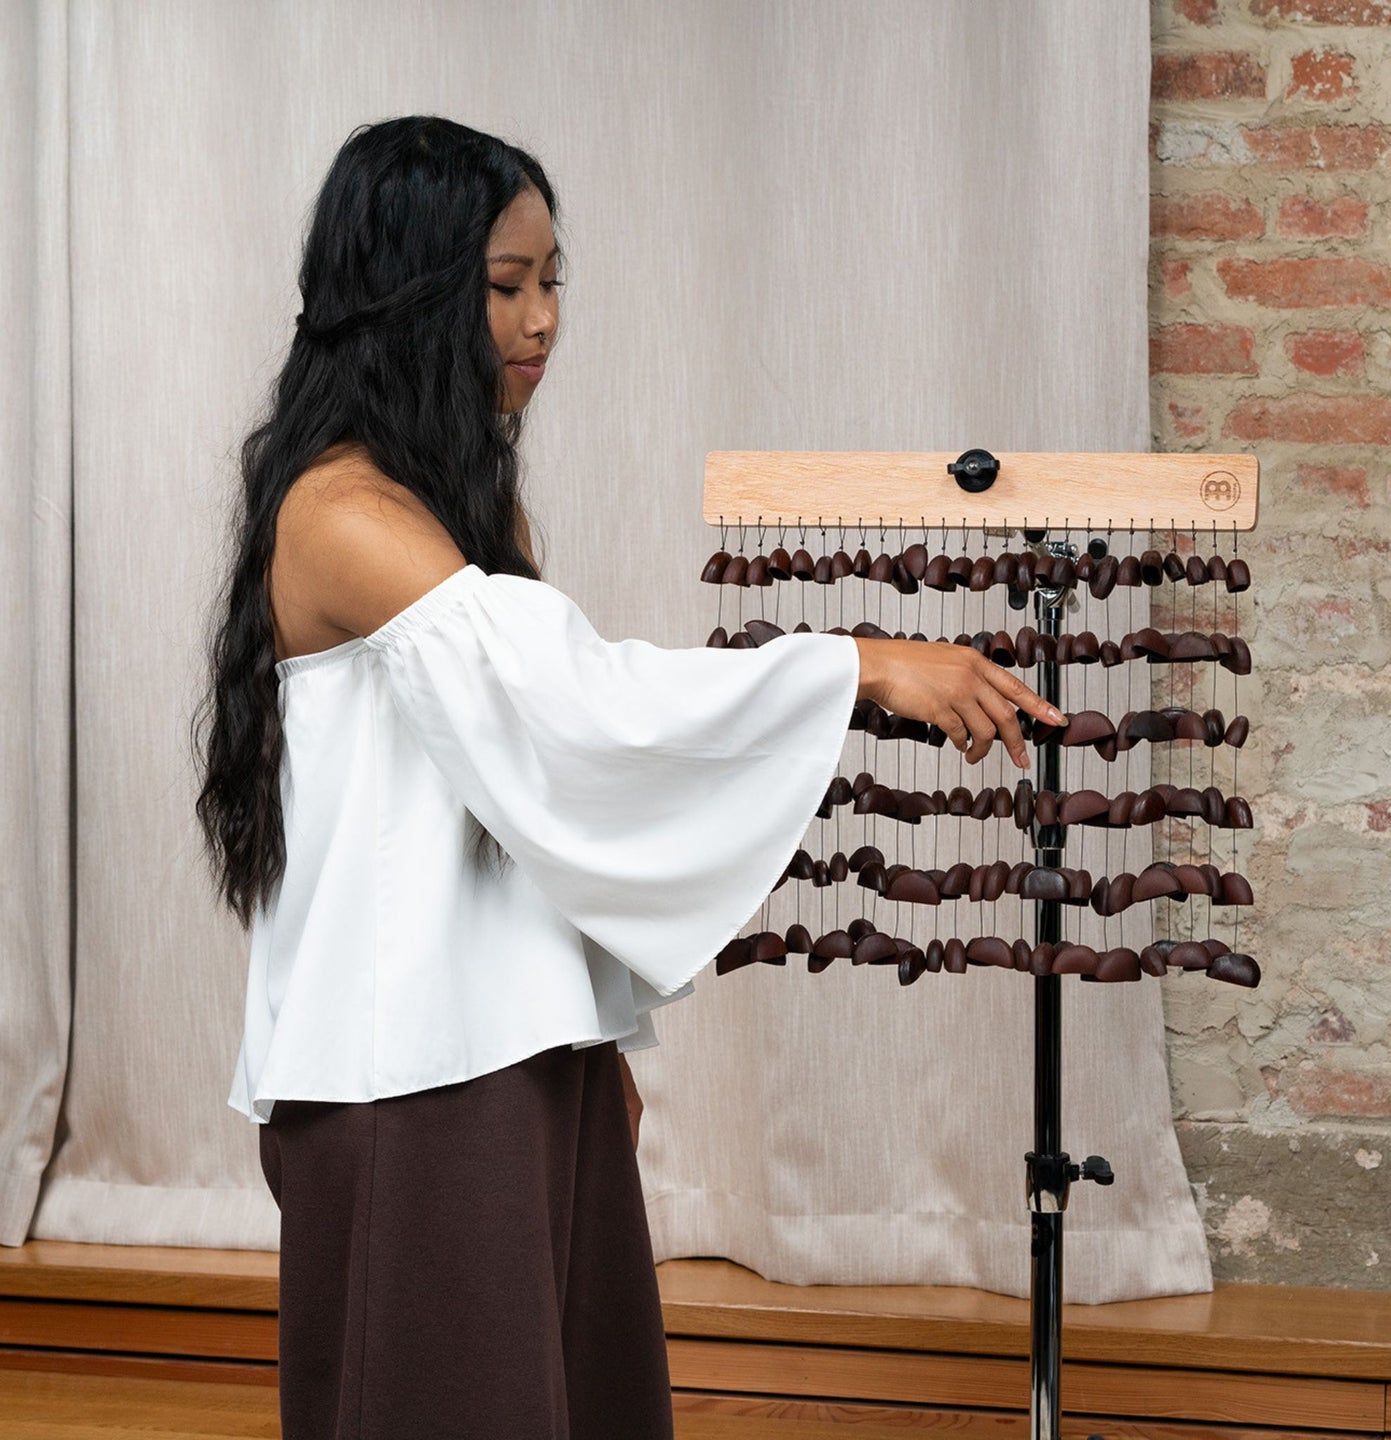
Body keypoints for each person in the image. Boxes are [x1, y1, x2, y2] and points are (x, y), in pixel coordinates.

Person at [193, 116, 1063, 1440]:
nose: (543, 320)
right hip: (410, 1081)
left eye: (555, 280)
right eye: (505, 286)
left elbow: (529, 797)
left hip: (514, 1055)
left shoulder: (464, 510)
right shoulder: (341, 518)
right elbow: (580, 716)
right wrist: (862, 665)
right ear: (410, 293)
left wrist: (590, 1031)